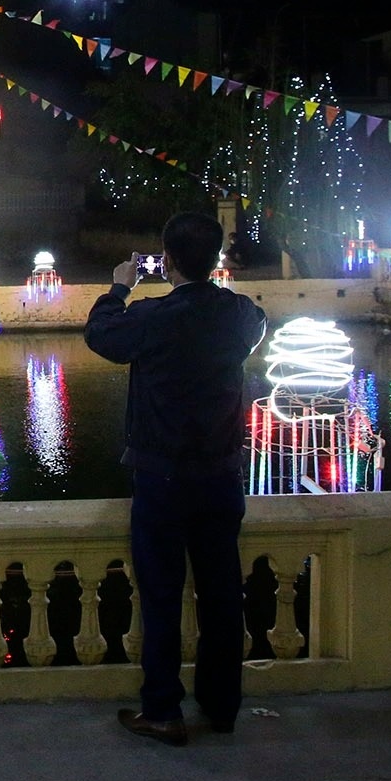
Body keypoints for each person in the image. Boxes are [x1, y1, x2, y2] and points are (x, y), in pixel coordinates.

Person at [84, 211, 266, 747]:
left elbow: (101, 334)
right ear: (216, 260)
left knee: (162, 594)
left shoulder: (154, 316)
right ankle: (221, 704)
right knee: (221, 594)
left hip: (162, 477)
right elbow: (253, 327)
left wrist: (118, 287)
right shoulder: (239, 315)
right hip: (221, 475)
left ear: (167, 260)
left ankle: (162, 709)